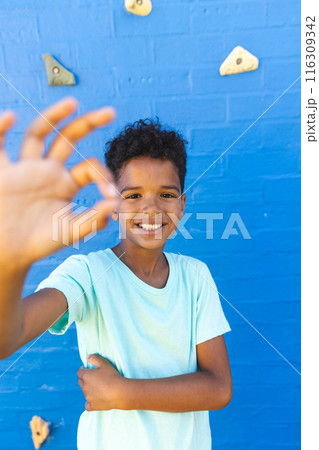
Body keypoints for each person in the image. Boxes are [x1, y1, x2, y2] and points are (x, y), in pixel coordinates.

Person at [0, 97, 232, 450]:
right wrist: (10, 264)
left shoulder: (195, 277)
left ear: (182, 205)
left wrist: (125, 393)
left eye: (166, 195)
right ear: (114, 204)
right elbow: (6, 338)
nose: (151, 208)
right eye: (134, 195)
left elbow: (218, 388)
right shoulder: (85, 273)